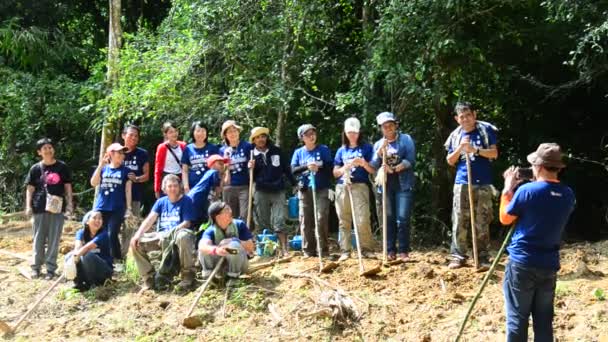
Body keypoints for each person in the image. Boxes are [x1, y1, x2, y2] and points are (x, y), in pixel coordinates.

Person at [499, 143, 575, 341]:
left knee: (517, 318)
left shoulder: (527, 191)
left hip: (522, 263)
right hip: (549, 264)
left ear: (539, 166)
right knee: (543, 321)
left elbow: (505, 218)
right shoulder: (568, 195)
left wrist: (508, 189)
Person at [444, 102, 498, 269]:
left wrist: (474, 150)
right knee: (459, 219)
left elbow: (494, 153)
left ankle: (482, 257)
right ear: (457, 119)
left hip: (483, 183)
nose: (465, 119)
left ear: (474, 114)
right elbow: (450, 161)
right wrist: (461, 148)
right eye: (462, 117)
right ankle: (458, 256)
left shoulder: (485, 130)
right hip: (462, 182)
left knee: (482, 220)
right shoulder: (455, 135)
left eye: (468, 115)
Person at [130, 174, 196, 290]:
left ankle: (187, 276)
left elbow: (187, 223)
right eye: (169, 186)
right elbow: (150, 219)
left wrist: (169, 234)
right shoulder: (161, 202)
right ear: (164, 189)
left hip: (178, 233)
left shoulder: (186, 200)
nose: (172, 188)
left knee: (184, 236)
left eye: (175, 185)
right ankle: (149, 278)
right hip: (161, 235)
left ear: (180, 187)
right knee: (135, 243)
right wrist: (137, 235)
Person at [24, 138, 73, 279]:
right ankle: (36, 267)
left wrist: (70, 205)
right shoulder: (35, 168)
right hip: (39, 207)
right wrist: (28, 206)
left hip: (57, 208)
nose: (48, 150)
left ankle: (50, 269)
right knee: (38, 238)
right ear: (39, 152)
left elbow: (68, 187)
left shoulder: (62, 167)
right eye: (44, 148)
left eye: (50, 147)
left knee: (54, 239)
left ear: (53, 149)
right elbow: (30, 188)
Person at [370, 112, 416, 261]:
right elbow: (373, 166)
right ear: (381, 128)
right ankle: (390, 250)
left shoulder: (406, 140)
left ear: (395, 125)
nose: (388, 128)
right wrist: (379, 152)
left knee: (402, 218)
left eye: (390, 124)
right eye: (385, 126)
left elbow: (410, 160)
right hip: (385, 186)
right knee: (388, 218)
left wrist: (394, 169)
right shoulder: (378, 144)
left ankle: (403, 251)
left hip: (403, 184)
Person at [333, 118, 376, 261]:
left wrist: (363, 163)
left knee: (362, 219)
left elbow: (372, 169)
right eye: (349, 132)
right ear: (345, 133)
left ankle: (366, 249)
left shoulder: (367, 148)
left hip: (360, 186)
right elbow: (335, 173)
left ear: (359, 133)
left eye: (355, 133)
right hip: (342, 186)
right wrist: (345, 167)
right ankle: (345, 250)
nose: (352, 135)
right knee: (343, 219)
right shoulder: (341, 150)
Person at [248, 127, 296, 254]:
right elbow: (249, 177)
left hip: (278, 189)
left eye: (263, 136)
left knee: (279, 220)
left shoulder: (276, 151)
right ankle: (268, 250)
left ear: (266, 137)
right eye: (257, 137)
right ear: (253, 140)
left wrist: (294, 183)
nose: (261, 139)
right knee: (263, 221)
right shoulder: (251, 154)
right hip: (260, 190)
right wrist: (250, 168)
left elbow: (286, 168)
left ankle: (284, 249)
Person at [291, 124, 333, 258]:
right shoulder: (298, 153)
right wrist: (306, 167)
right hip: (305, 189)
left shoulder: (324, 150)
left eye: (313, 133)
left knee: (321, 218)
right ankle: (308, 250)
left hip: (321, 188)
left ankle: (323, 250)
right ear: (302, 137)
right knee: (305, 220)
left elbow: (330, 168)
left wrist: (318, 168)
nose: (311, 136)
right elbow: (293, 170)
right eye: (307, 134)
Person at [90, 143, 133, 262]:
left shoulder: (126, 171)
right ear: (111, 154)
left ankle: (117, 258)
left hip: (117, 208)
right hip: (101, 207)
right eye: (119, 152)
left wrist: (128, 208)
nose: (121, 155)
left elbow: (128, 190)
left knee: (112, 234)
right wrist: (100, 165)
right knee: (99, 233)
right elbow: (93, 183)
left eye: (122, 153)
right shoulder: (104, 169)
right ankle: (101, 257)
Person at [198, 202, 254, 286]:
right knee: (203, 250)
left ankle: (234, 277)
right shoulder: (211, 230)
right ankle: (210, 277)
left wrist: (234, 240)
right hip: (220, 265)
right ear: (218, 217)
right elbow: (202, 246)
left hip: (240, 263)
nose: (230, 211)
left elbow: (251, 247)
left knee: (234, 246)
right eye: (226, 210)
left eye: (229, 208)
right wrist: (216, 250)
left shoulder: (239, 225)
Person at [120, 124, 149, 257]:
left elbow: (146, 176)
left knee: (130, 227)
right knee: (113, 226)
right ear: (123, 135)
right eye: (130, 134)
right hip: (116, 196)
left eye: (136, 136)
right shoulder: (116, 152)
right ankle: (115, 254)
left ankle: (127, 256)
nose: (133, 138)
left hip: (135, 196)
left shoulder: (142, 154)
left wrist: (136, 178)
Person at [219, 120, 253, 221]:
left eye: (234, 130)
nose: (232, 134)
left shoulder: (247, 146)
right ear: (225, 135)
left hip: (244, 186)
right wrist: (226, 166)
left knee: (244, 215)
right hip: (229, 186)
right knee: (230, 216)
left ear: (238, 132)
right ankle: (232, 236)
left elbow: (253, 164)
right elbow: (221, 171)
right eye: (229, 132)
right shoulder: (222, 150)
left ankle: (244, 236)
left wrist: (250, 165)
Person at [70, 211, 113, 291]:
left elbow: (87, 247)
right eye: (94, 218)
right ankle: (79, 283)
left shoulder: (103, 234)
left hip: (103, 271)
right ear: (87, 222)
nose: (97, 221)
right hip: (88, 270)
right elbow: (77, 247)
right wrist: (73, 257)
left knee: (87, 255)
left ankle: (92, 284)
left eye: (100, 218)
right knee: (70, 256)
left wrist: (78, 255)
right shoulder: (81, 233)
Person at [187, 154, 229, 231]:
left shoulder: (210, 173)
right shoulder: (213, 172)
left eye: (223, 164)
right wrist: (223, 174)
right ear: (212, 165)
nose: (222, 166)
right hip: (197, 198)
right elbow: (217, 191)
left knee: (199, 221)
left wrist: (223, 175)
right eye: (220, 163)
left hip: (199, 199)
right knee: (200, 220)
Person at [181, 121, 220, 194]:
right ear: (193, 132)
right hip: (193, 187)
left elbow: (218, 169)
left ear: (206, 133)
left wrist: (218, 186)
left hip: (209, 187)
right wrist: (186, 186)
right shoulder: (188, 149)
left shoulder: (213, 148)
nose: (200, 133)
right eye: (198, 131)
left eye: (203, 131)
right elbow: (184, 170)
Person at [154, 122, 186, 198]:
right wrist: (157, 189)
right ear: (166, 134)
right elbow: (157, 169)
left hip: (180, 178)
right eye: (171, 132)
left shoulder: (183, 145)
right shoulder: (162, 147)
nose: (174, 134)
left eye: (175, 131)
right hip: (166, 178)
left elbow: (186, 165)